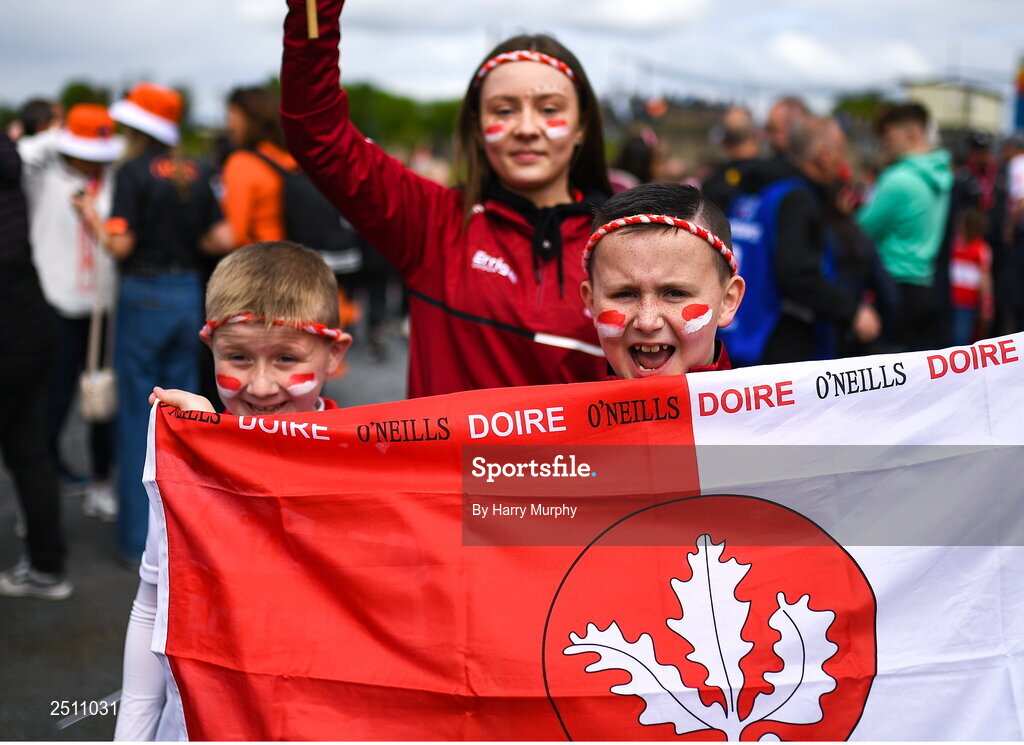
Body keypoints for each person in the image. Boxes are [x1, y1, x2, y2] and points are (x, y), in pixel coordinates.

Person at [281, 0, 612, 397]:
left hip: (576, 464)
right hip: (445, 462)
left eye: (549, 109)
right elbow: (318, 132)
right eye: (504, 110)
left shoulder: (624, 243)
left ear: (582, 126)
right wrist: (313, 11)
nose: (526, 128)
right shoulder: (433, 222)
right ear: (476, 126)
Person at [113, 241, 352, 741]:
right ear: (210, 348)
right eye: (237, 357)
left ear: (334, 355)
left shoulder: (371, 466)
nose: (261, 386)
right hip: (201, 722)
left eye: (287, 358)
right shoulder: (187, 463)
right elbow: (154, 607)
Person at [105, 81, 228, 563]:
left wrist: (92, 224)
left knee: (140, 417)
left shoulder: (131, 173)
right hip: (187, 295)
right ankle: (180, 535)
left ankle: (139, 541)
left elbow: (120, 246)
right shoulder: (195, 170)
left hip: (142, 295)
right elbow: (224, 237)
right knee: (185, 418)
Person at [17, 103, 122, 519]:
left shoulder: (115, 180)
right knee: (53, 401)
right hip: (55, 306)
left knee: (103, 404)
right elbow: (21, 151)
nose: (94, 161)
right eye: (85, 151)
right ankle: (43, 486)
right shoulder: (43, 176)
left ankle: (101, 481)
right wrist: (59, 133)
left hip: (104, 307)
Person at [718, 117, 880, 366]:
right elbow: (796, 274)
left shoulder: (752, 190)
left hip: (736, 327)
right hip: (775, 338)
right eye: (840, 153)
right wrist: (852, 312)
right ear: (824, 155)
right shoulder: (796, 198)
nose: (842, 162)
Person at [0, 130, 70, 600]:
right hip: (31, 322)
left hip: (13, 323)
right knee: (29, 451)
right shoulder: (12, 163)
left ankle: (47, 566)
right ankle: (48, 566)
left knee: (29, 451)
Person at [580, 183, 744, 377]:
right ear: (592, 303)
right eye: (624, 294)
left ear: (728, 301)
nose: (647, 322)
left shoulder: (769, 408)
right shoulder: (562, 406)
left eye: (675, 293)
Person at [857, 103, 953, 351]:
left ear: (911, 132)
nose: (883, 145)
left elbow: (861, 231)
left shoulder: (898, 179)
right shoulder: (942, 175)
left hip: (893, 288)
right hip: (927, 285)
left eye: (888, 136)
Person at [949, 207, 994, 345]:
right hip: (952, 297)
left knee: (961, 336)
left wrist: (986, 302)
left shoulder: (981, 248)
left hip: (968, 301)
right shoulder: (955, 244)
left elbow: (985, 277)